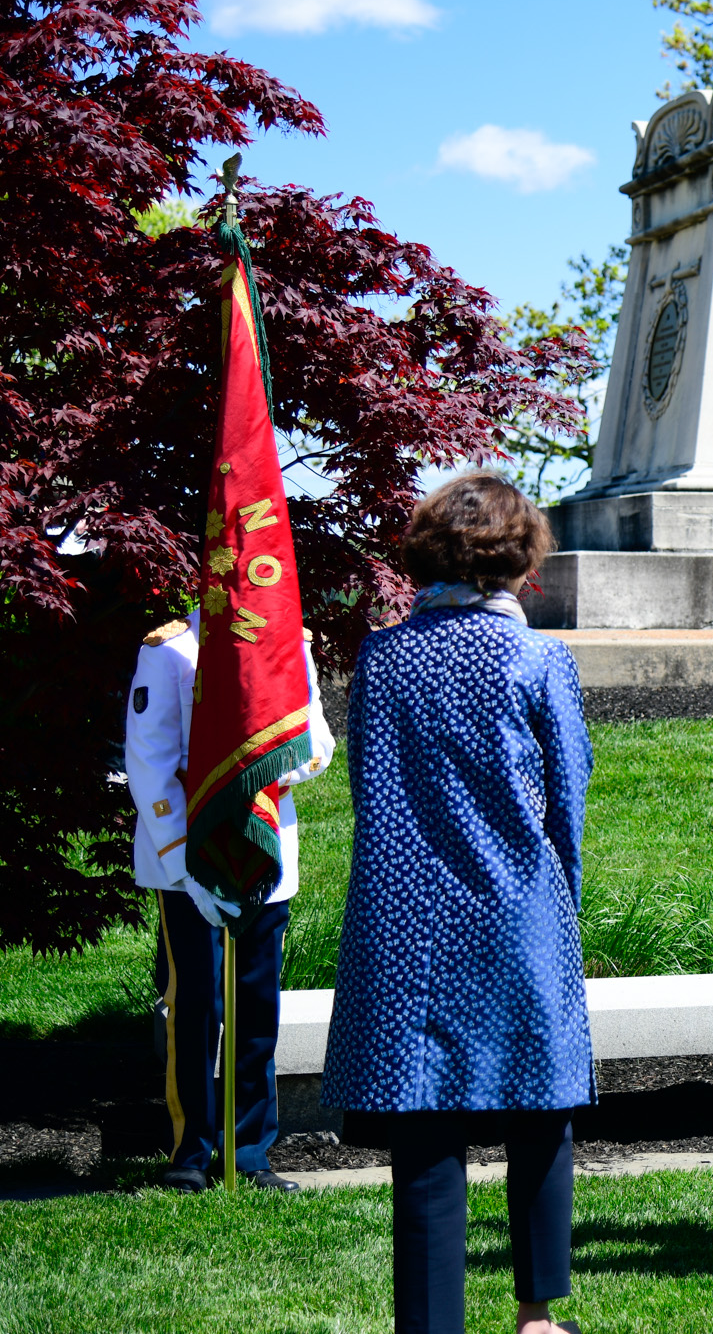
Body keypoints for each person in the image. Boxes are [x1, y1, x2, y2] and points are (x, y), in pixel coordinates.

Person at [322, 473, 593, 1334]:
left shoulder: (383, 657)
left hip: (408, 921)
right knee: (539, 1106)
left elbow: (371, 788)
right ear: (521, 560)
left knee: (425, 1127)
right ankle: (537, 1315)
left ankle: (430, 1324)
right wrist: (564, 902)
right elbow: (567, 800)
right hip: (518, 907)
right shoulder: (541, 658)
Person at [126, 607, 333, 1193]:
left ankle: (249, 1151)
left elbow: (317, 740)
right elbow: (150, 765)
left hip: (264, 852)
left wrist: (268, 766)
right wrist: (183, 867)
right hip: (187, 856)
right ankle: (191, 1150)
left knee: (257, 1006)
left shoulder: (288, 644)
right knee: (197, 1006)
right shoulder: (171, 651)